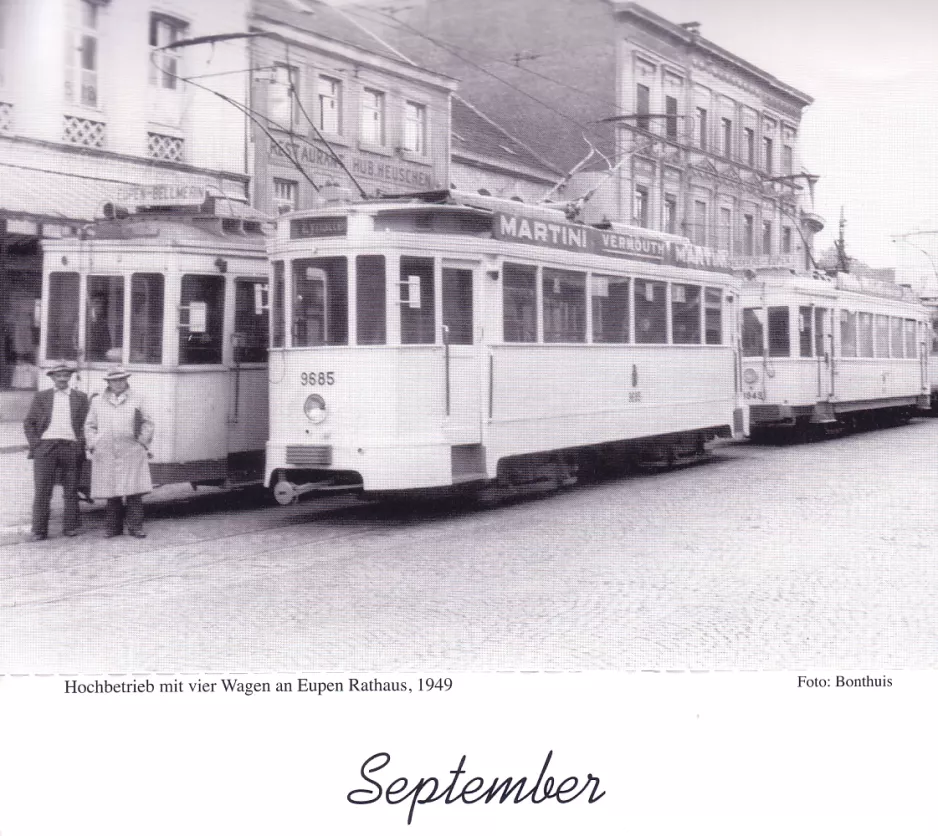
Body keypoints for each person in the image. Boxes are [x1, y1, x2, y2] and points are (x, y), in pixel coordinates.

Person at [22, 363, 90, 541]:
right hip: (47, 448)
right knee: (43, 489)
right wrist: (36, 445)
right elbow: (29, 423)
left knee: (71, 489)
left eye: (65, 376)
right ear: (52, 378)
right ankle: (39, 529)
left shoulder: (81, 398)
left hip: (70, 447)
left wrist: (80, 443)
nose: (62, 379)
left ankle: (70, 527)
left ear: (70, 377)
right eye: (58, 376)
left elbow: (87, 424)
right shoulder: (42, 397)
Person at [84, 366, 154, 538]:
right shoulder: (97, 401)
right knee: (112, 492)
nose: (118, 383)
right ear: (108, 382)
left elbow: (148, 422)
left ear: (126, 380)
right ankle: (113, 528)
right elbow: (90, 425)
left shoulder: (138, 398)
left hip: (131, 450)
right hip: (106, 451)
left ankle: (135, 527)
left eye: (122, 379)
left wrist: (142, 443)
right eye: (114, 380)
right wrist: (94, 443)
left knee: (134, 492)